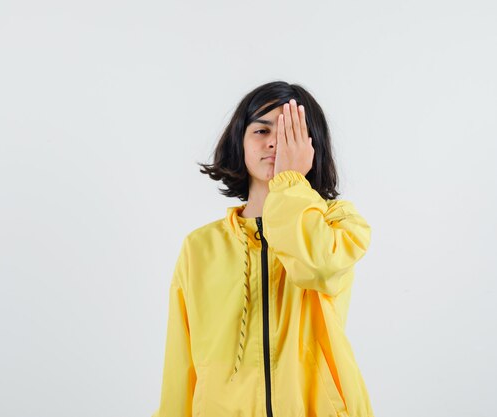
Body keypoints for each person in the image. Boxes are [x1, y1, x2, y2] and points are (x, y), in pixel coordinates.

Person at [151, 81, 374, 417]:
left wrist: (289, 183)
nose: (274, 142)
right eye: (261, 129)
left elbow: (317, 267)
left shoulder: (339, 224)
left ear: (312, 147)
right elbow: (180, 364)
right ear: (239, 141)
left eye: (290, 132)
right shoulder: (200, 248)